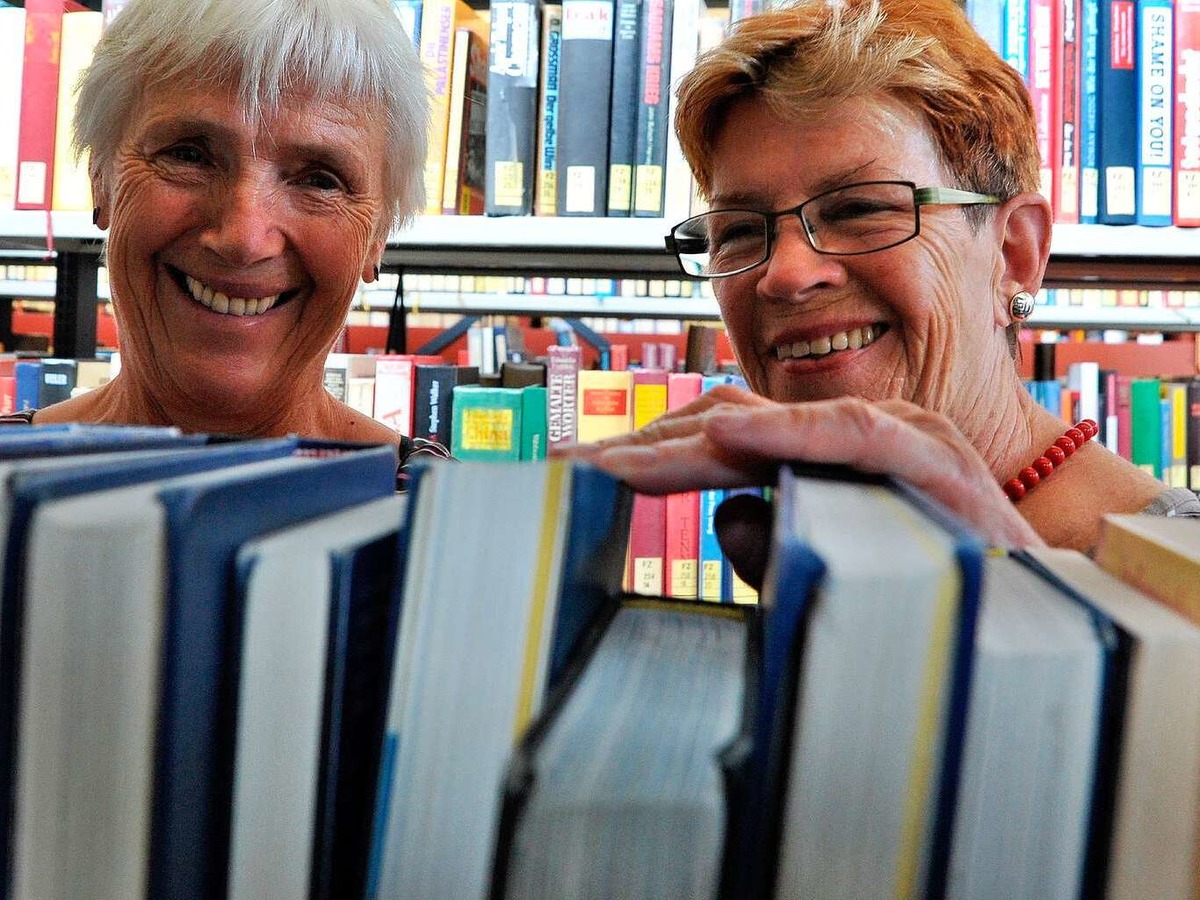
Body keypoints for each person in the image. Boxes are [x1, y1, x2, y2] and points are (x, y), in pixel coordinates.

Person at [565, 0, 1198, 562]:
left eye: (860, 209)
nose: (783, 274)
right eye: (738, 232)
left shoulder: (1181, 581)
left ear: (1013, 255)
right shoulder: (812, 537)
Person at [6, 0, 449, 474]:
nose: (243, 239)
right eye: (190, 155)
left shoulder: (454, 525)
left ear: (379, 234)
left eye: (320, 180)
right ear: (101, 179)